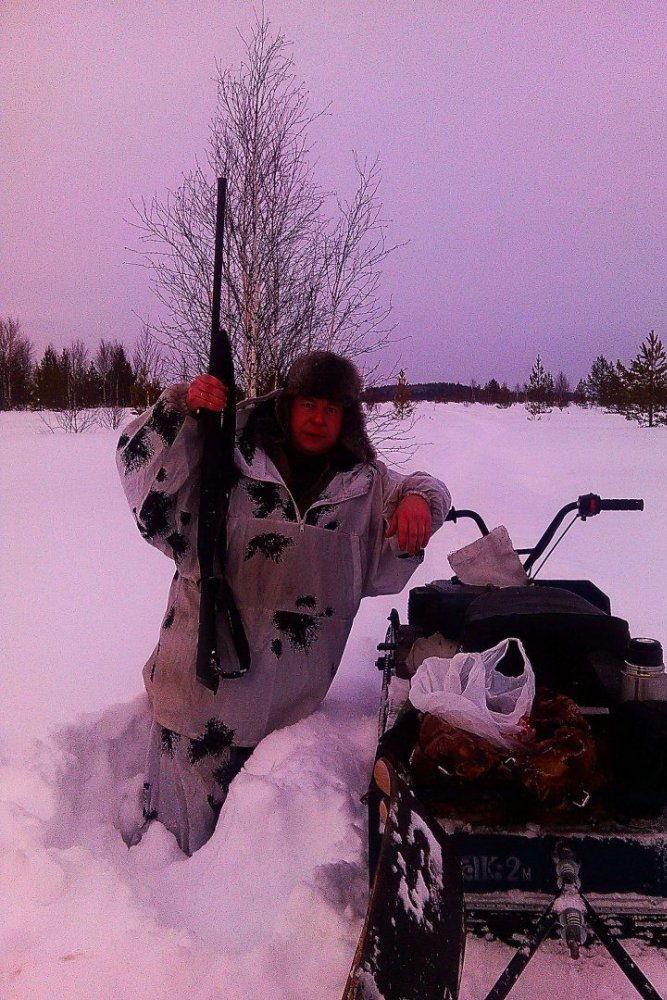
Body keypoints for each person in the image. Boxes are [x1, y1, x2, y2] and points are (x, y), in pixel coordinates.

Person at [116, 351, 450, 854]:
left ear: (348, 418)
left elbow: (424, 488)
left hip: (287, 728)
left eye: (332, 409)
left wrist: (421, 500)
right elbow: (142, 479)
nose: (318, 419)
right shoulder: (224, 456)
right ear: (286, 405)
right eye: (308, 404)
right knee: (172, 858)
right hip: (195, 713)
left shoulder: (363, 488)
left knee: (260, 871)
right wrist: (180, 408)